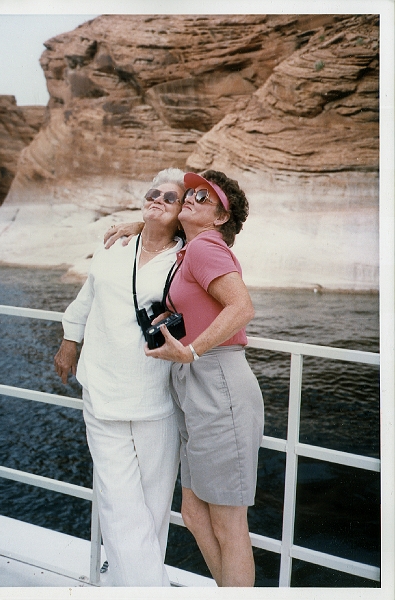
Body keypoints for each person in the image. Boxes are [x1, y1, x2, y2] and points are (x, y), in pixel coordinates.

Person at [105, 170, 264, 587]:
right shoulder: (189, 250)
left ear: (219, 219)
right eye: (190, 192)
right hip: (198, 387)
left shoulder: (206, 248)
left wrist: (192, 350)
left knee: (230, 526)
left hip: (219, 385)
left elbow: (241, 308)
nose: (192, 198)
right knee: (194, 515)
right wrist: (138, 224)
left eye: (205, 198)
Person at [54, 168, 186, 587]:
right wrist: (70, 340)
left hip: (157, 399)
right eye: (153, 193)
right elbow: (86, 297)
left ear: (183, 212)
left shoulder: (187, 257)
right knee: (118, 503)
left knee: (152, 507)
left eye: (171, 197)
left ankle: (127, 586)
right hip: (103, 390)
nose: (159, 199)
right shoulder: (116, 246)